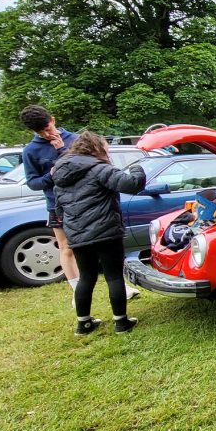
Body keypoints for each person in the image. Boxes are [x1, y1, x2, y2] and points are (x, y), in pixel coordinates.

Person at [51, 132, 147, 335]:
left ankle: (83, 324)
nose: (108, 150)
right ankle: (121, 322)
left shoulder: (59, 173)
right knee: (114, 276)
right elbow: (132, 184)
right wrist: (137, 168)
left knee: (86, 278)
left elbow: (59, 209)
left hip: (77, 234)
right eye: (105, 146)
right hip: (106, 231)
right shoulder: (99, 168)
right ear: (97, 147)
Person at [20, 105, 81, 300]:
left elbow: (87, 167)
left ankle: (122, 286)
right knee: (67, 247)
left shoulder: (76, 140)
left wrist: (61, 150)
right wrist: (51, 176)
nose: (47, 134)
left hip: (85, 200)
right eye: (41, 131)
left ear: (53, 120)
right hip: (57, 205)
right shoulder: (30, 151)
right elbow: (33, 183)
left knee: (100, 245)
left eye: (48, 127)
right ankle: (77, 292)